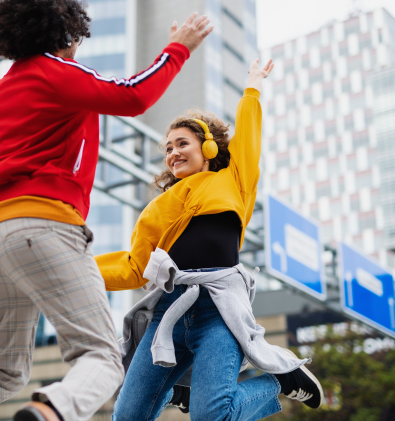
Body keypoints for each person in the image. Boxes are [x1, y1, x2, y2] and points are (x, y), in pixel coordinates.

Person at [0, 1, 214, 421]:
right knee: (101, 354)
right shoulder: (55, 72)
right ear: (65, 33)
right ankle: (51, 413)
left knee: (1, 368)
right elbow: (133, 94)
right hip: (43, 225)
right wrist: (177, 48)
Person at [95, 58, 325, 421]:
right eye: (168, 148)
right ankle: (182, 383)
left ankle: (277, 382)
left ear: (210, 148)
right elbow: (135, 267)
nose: (172, 153)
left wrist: (253, 84)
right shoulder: (157, 208)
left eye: (181, 143)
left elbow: (248, 131)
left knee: (211, 417)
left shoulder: (233, 179)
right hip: (167, 312)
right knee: (126, 417)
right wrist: (76, 269)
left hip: (219, 310)